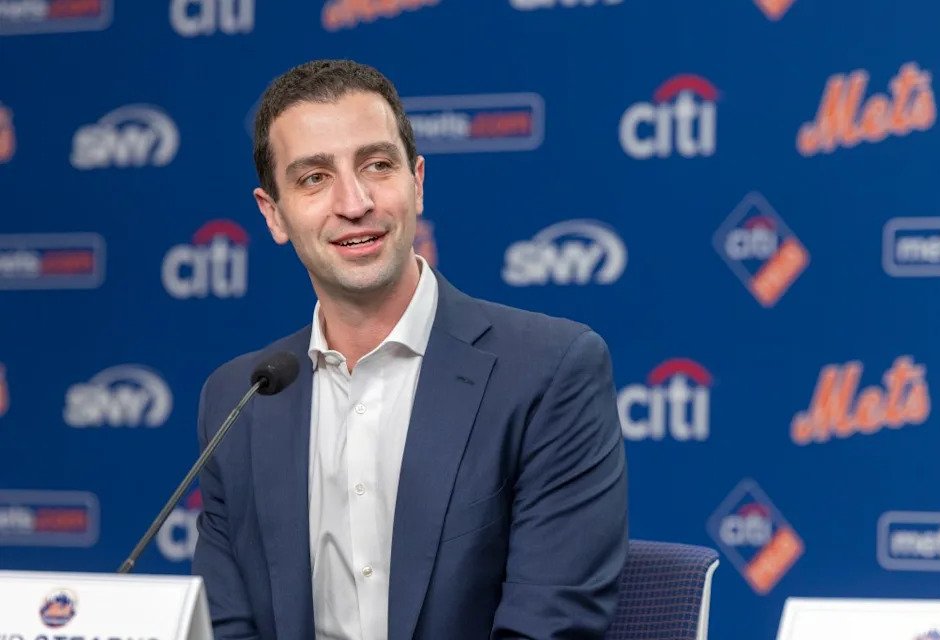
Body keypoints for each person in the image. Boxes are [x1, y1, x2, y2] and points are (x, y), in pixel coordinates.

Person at [192, 59, 628, 640]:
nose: (354, 202)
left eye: (377, 165)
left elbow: (551, 628)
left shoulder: (550, 372)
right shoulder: (238, 398)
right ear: (273, 215)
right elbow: (227, 628)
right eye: (314, 178)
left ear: (417, 182)